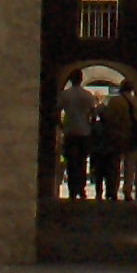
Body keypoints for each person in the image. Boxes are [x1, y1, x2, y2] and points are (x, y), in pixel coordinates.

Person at [57, 69, 96, 199]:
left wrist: (61, 125)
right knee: (82, 161)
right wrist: (89, 123)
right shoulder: (87, 95)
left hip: (70, 131)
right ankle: (81, 188)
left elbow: (56, 111)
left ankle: (72, 189)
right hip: (84, 131)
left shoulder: (65, 95)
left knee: (71, 162)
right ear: (81, 79)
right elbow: (93, 113)